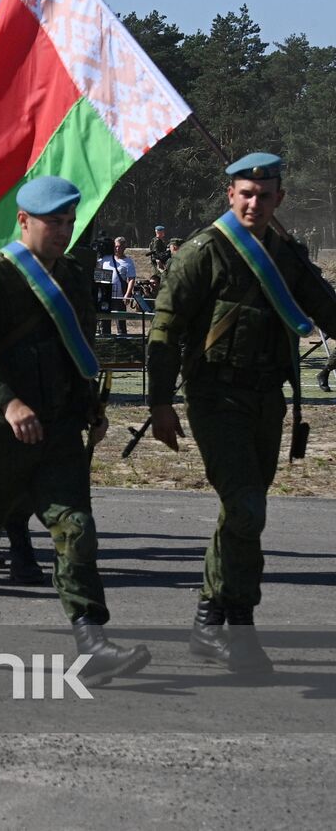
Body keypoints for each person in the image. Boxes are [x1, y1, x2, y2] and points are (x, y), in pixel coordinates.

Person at [0, 175, 150, 688]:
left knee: (75, 527)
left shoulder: (73, 277)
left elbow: (76, 351)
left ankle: (91, 641)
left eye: (69, 221)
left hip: (57, 430)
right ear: (24, 221)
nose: (63, 230)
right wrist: (7, 403)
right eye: (54, 222)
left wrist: (91, 406)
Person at [148, 152, 336, 674]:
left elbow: (327, 311)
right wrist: (160, 402)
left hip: (267, 402)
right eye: (244, 193)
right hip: (215, 399)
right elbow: (163, 333)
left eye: (264, 194)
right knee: (247, 507)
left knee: (242, 515)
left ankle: (208, 623)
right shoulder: (204, 252)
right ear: (229, 194)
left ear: (279, 198)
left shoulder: (285, 254)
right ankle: (242, 628)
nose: (254, 202)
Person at [96, 236, 136, 335]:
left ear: (124, 247)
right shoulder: (105, 259)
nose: (117, 248)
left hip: (120, 296)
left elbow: (131, 279)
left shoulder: (128, 262)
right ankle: (106, 341)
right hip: (106, 296)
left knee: (120, 322)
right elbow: (97, 272)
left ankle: (122, 340)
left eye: (120, 246)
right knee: (104, 322)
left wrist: (127, 294)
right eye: (116, 246)